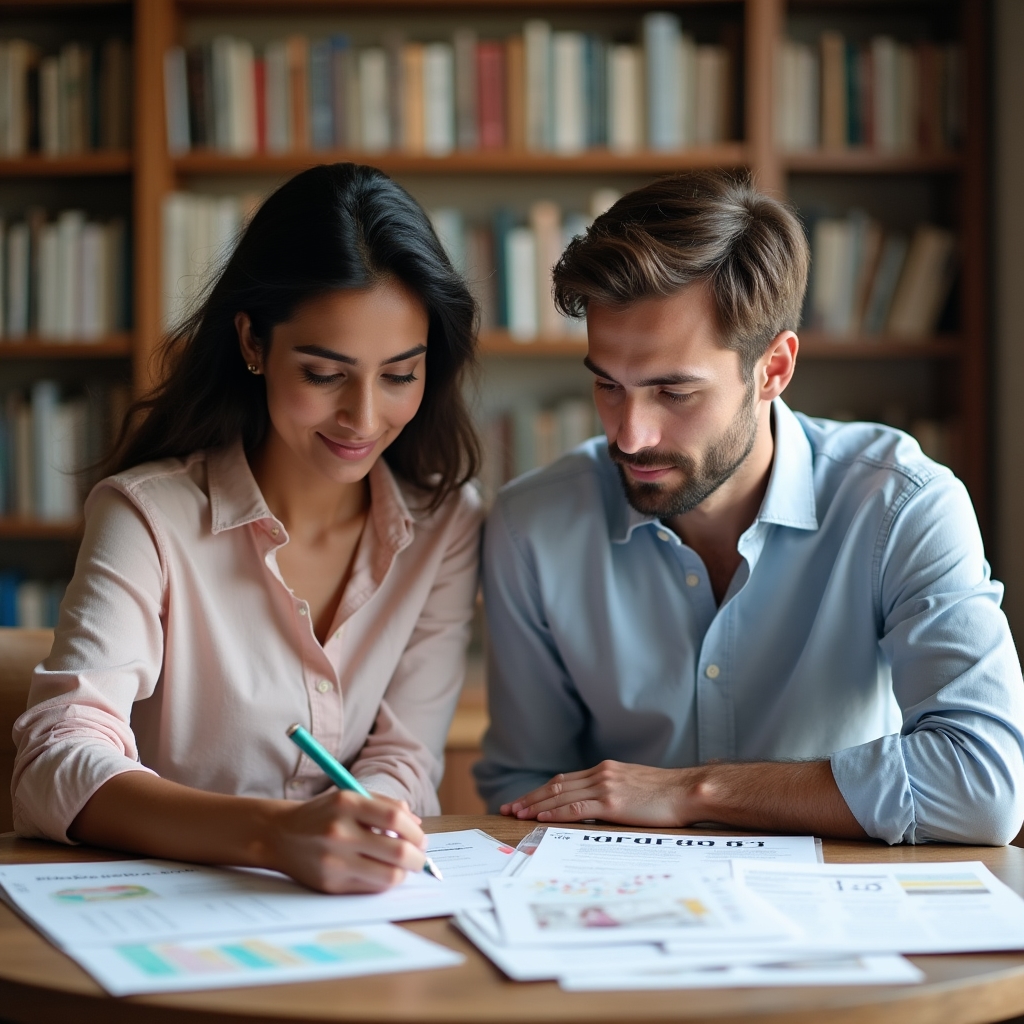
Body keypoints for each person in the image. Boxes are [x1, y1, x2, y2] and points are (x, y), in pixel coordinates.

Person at [475, 170, 1024, 845]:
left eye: (673, 392)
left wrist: (691, 792)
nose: (629, 434)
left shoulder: (900, 505)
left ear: (773, 369)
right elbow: (526, 788)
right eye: (608, 385)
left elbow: (984, 784)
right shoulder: (532, 526)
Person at [12, 163, 483, 892]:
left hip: (353, 916)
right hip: (166, 911)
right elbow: (55, 760)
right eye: (325, 374)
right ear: (254, 344)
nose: (363, 419)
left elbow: (405, 754)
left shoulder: (446, 524)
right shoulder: (148, 515)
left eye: (399, 375)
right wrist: (271, 835)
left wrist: (373, 824)